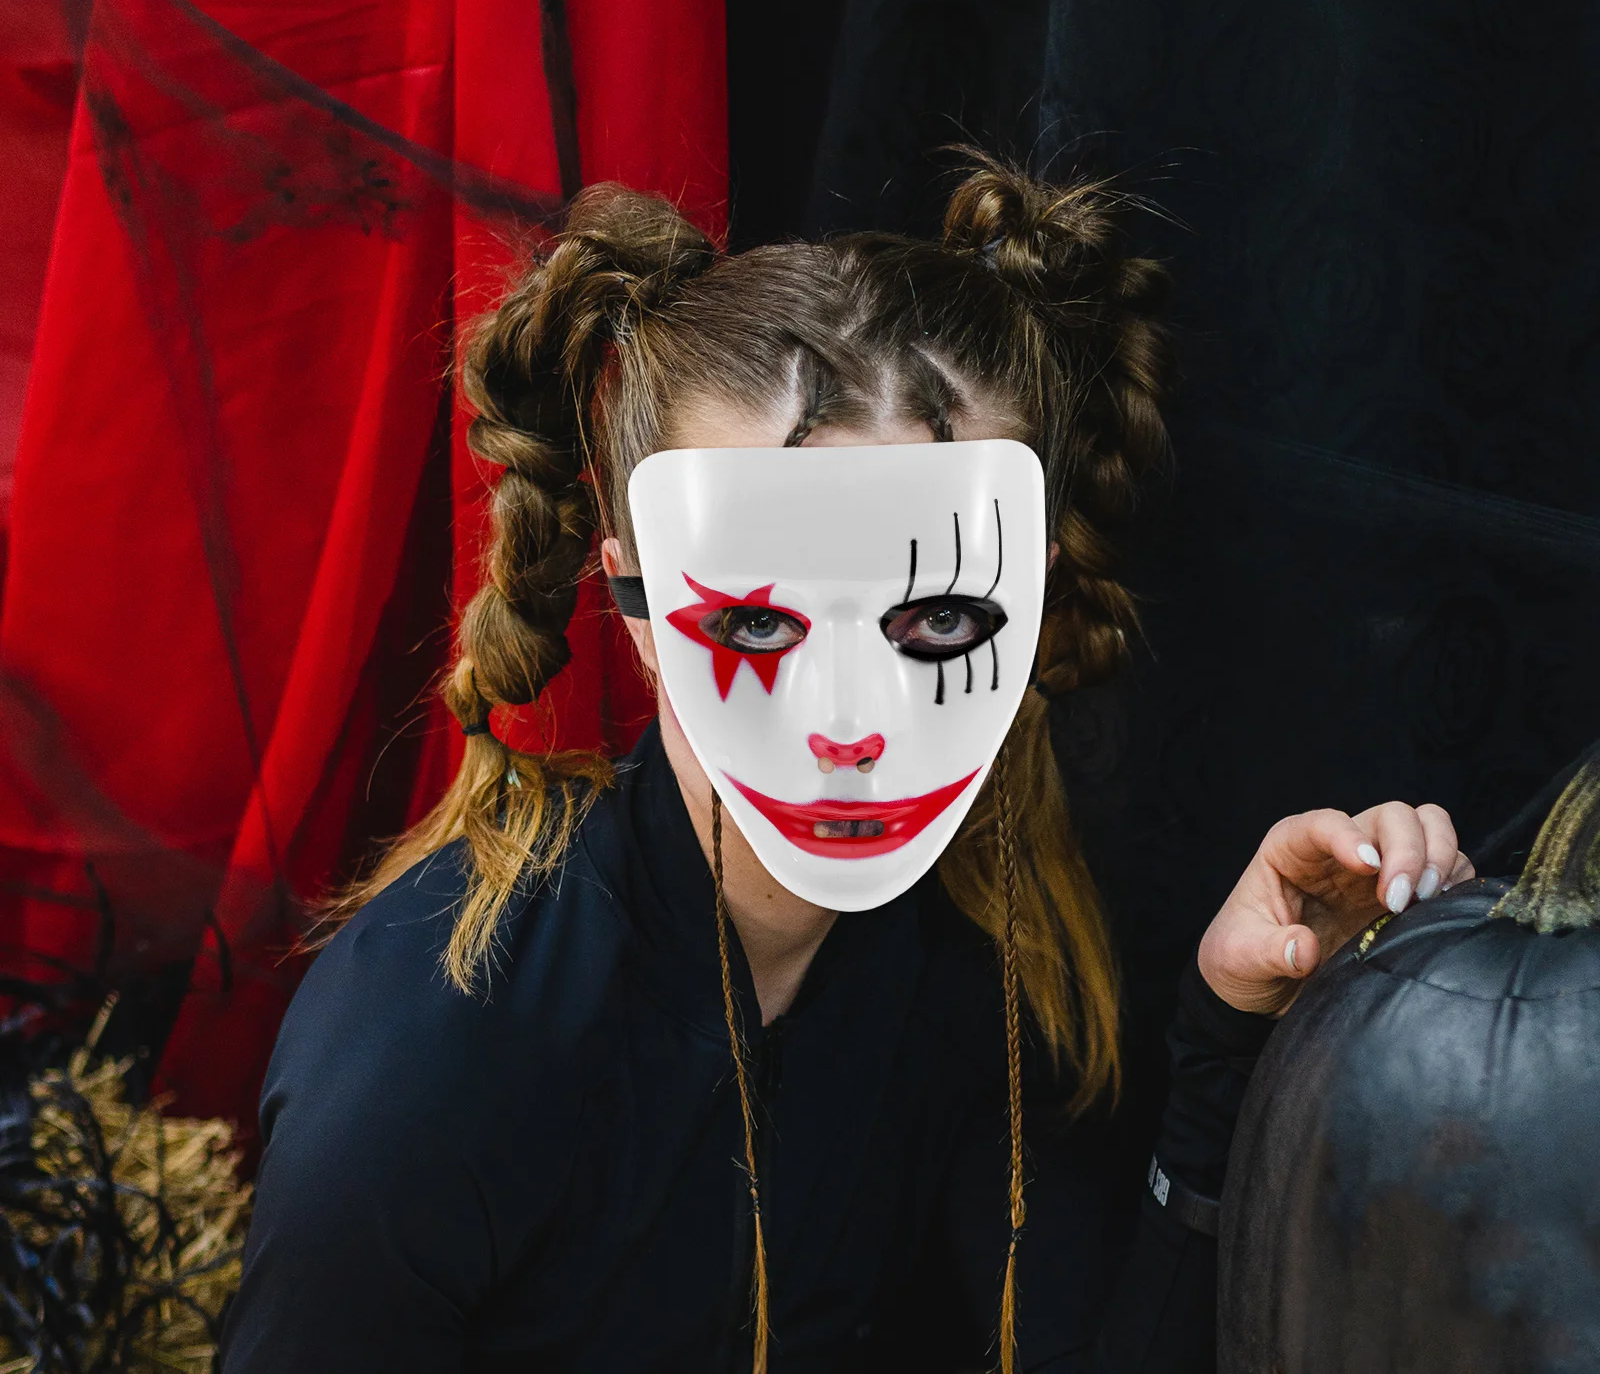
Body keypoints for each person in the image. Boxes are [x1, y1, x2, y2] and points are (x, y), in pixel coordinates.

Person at [219, 159, 1472, 1374]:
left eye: (935, 623)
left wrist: (1228, 1035)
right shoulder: (439, 1049)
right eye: (757, 623)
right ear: (641, 610)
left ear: (1026, 598)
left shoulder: (987, 958)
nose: (849, 725)